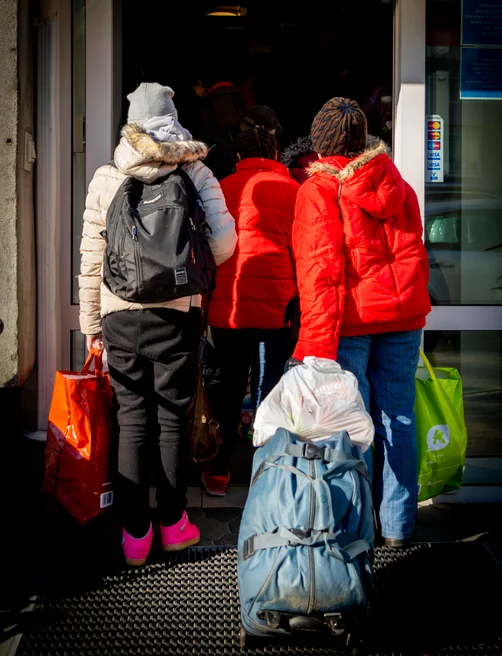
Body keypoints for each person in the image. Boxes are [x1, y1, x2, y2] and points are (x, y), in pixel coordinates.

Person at [79, 82, 237, 565]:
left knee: (132, 420)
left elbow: (91, 258)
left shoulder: (107, 176)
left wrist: (91, 323)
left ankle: (134, 536)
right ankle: (174, 524)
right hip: (177, 315)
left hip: (120, 315)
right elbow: (227, 242)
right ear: (173, 118)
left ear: (131, 124)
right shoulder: (196, 170)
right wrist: (185, 273)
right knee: (172, 418)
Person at [292, 97, 431, 547]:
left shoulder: (317, 190)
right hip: (403, 316)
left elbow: (320, 272)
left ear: (321, 143)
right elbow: (414, 250)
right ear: (362, 141)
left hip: (349, 324)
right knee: (398, 419)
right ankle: (398, 526)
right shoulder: (397, 182)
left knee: (353, 428)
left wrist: (311, 348)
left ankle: (360, 528)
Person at [204, 126, 300, 496]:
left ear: (239, 157)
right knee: (272, 389)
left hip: (230, 304)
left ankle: (219, 471)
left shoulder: (220, 188)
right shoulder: (294, 191)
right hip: (279, 305)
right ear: (276, 155)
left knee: (227, 391)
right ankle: (268, 473)